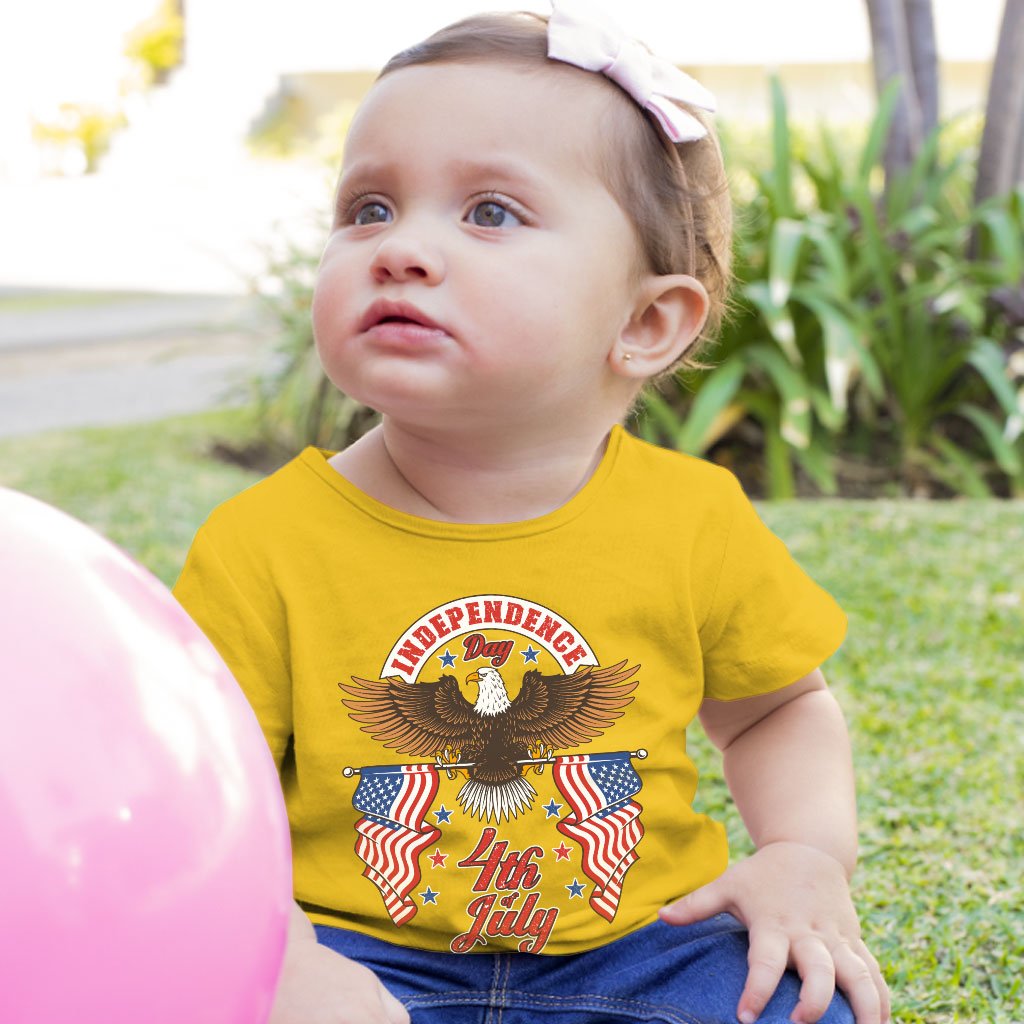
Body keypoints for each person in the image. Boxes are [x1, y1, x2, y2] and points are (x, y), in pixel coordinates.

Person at [172, 4, 891, 1023]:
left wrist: (803, 854)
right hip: (356, 956)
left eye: (490, 213)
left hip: (644, 948)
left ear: (645, 322)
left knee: (810, 1003)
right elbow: (208, 793)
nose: (401, 249)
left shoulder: (689, 517)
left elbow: (777, 707)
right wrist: (280, 951)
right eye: (369, 208)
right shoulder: (262, 543)